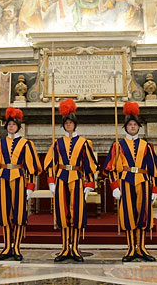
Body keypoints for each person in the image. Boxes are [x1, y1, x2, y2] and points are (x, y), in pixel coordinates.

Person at [104, 101, 157, 262]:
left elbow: (154, 170)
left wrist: (155, 189)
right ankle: (130, 248)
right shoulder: (118, 145)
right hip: (125, 183)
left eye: (135, 124)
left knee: (142, 215)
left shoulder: (147, 146)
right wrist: (115, 186)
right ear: (126, 127)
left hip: (143, 182)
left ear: (139, 127)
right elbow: (111, 169)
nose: (133, 127)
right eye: (130, 125)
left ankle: (141, 247)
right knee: (128, 216)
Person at [0, 106, 41, 261]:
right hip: (3, 179)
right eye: (9, 124)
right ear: (6, 126)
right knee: (5, 214)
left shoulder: (26, 144)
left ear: (18, 127)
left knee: (19, 214)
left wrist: (30, 186)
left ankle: (16, 248)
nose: (11, 126)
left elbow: (32, 168)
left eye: (14, 124)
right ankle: (7, 247)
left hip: (19, 179)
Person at [44, 98, 97, 262]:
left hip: (76, 180)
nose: (68, 125)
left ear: (75, 124)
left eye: (70, 123)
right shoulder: (57, 142)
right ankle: (64, 248)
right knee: (62, 213)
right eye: (66, 123)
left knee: (76, 214)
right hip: (61, 180)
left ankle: (74, 248)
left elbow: (89, 165)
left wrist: (89, 185)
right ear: (63, 125)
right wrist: (51, 181)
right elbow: (50, 164)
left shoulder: (84, 143)